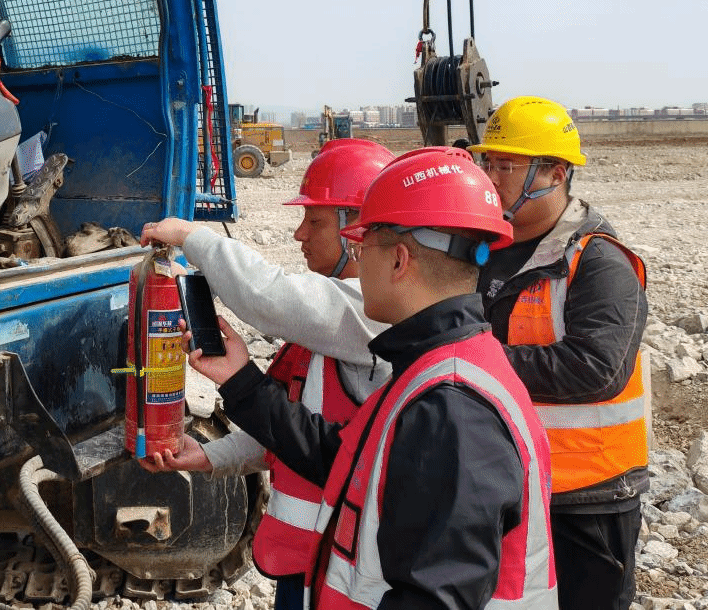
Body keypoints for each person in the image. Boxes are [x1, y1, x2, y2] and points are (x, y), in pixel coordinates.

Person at [189, 147, 557, 609]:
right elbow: (344, 457)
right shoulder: (434, 367)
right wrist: (241, 381)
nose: (359, 267)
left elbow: (436, 597)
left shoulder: (453, 405)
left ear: (399, 260)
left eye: (365, 248)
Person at [139, 139, 395, 610]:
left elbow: (270, 298)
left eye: (313, 221)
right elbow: (298, 427)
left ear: (356, 229)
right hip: (311, 558)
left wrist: (193, 236)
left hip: (354, 571)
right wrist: (211, 456)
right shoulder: (329, 326)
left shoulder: (371, 314)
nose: (299, 234)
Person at [468, 97, 648, 610]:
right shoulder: (481, 249)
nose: (491, 176)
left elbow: (597, 369)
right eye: (489, 162)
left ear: (554, 172)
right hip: (505, 485)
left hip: (586, 498)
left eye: (507, 165)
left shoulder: (598, 262)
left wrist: (473, 363)